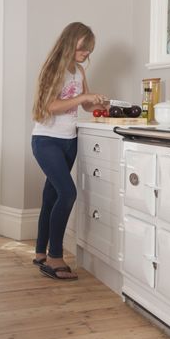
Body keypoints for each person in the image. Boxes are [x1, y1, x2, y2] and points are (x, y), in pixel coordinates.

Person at [31, 22, 108, 280]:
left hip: (69, 139)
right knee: (68, 193)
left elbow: (82, 106)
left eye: (89, 49)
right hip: (47, 140)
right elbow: (49, 105)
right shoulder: (55, 68)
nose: (86, 53)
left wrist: (98, 102)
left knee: (51, 196)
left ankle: (41, 251)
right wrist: (82, 99)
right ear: (70, 41)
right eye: (83, 47)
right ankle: (54, 258)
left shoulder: (78, 71)